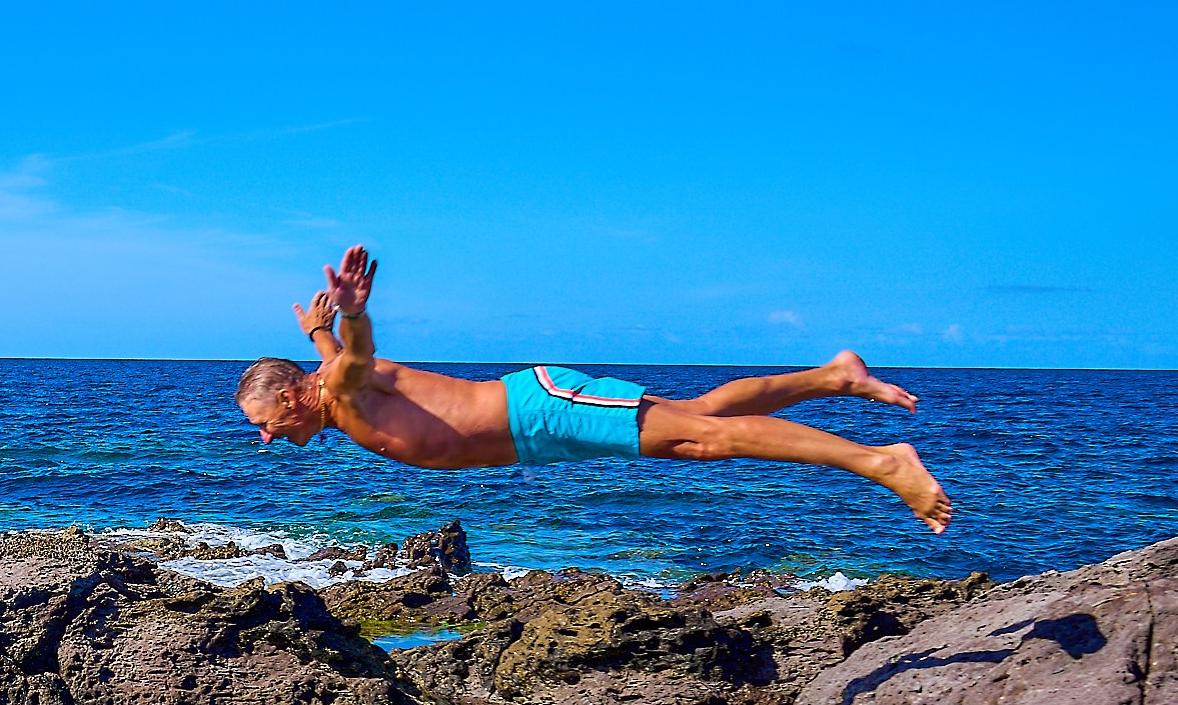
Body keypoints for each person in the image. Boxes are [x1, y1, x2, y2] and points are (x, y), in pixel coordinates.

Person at [235, 246, 953, 533]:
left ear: (292, 397)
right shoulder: (329, 386)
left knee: (702, 440)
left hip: (541, 410)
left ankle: (881, 462)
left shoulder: (344, 391)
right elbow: (337, 357)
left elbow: (356, 356)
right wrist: (320, 330)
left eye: (264, 422)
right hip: (538, 430)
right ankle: (833, 375)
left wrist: (350, 315)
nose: (266, 438)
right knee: (701, 414)